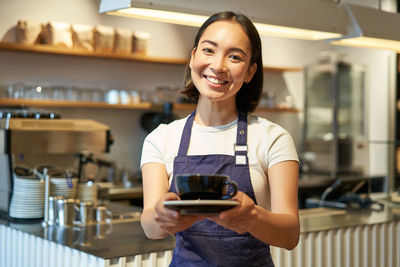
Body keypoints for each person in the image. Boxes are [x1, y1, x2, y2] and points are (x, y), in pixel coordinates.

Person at [140, 11, 300, 267]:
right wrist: (161, 216)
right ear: (192, 58)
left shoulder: (273, 138)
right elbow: (150, 227)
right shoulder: (161, 138)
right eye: (208, 50)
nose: (218, 65)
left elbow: (290, 235)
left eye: (235, 56)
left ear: (249, 72)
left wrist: (252, 217)